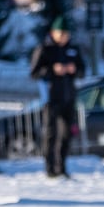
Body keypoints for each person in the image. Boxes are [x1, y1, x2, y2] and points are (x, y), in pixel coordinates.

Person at [28, 20, 83, 179]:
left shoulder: (73, 49)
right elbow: (34, 73)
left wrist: (74, 70)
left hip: (68, 96)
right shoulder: (44, 49)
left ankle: (62, 167)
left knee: (66, 134)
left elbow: (82, 71)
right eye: (61, 33)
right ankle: (50, 168)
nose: (64, 37)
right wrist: (52, 70)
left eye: (67, 34)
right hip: (51, 98)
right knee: (51, 133)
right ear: (53, 33)